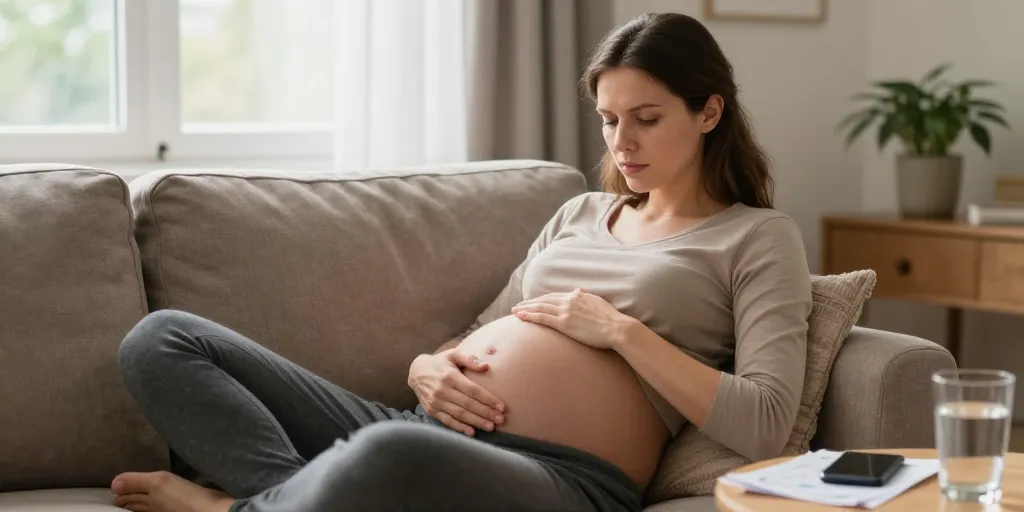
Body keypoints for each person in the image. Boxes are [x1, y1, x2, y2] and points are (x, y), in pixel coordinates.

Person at [109, 11, 811, 512]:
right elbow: (484, 328)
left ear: (709, 112)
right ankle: (304, 499)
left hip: (559, 477)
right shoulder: (579, 214)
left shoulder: (755, 237)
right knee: (162, 340)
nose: (621, 141)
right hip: (424, 425)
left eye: (647, 118)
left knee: (383, 457)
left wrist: (622, 332)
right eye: (607, 118)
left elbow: (767, 420)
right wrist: (428, 367)